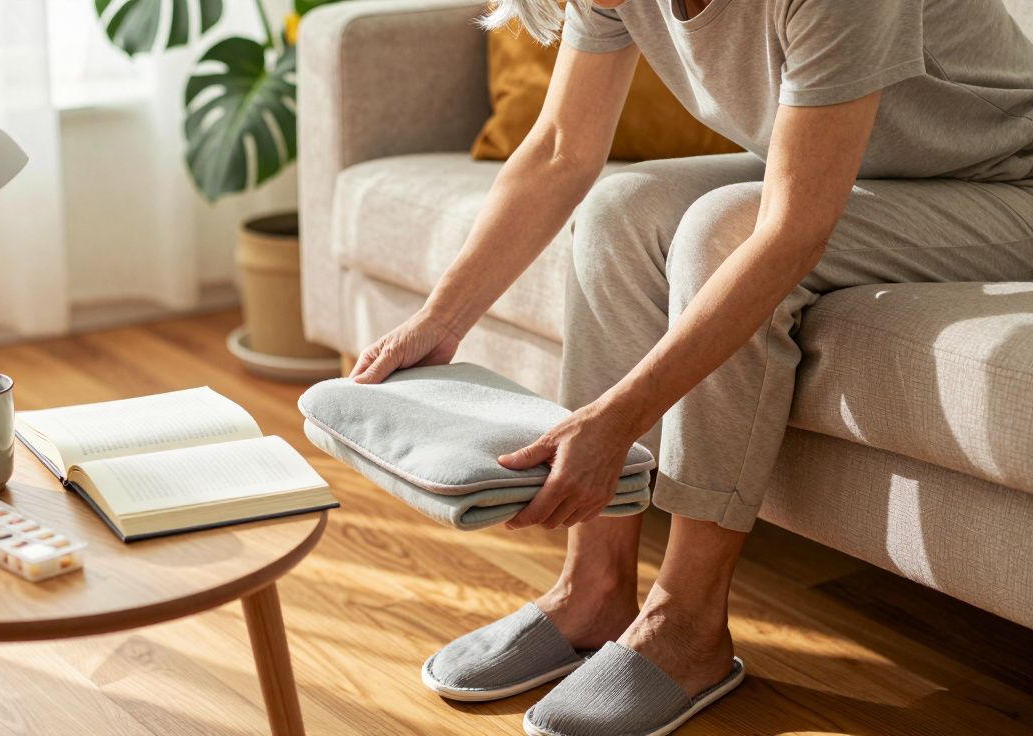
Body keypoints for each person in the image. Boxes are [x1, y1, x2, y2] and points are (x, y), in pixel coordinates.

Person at [347, 0, 1033, 733]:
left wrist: (617, 418)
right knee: (620, 208)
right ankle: (592, 589)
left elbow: (791, 230)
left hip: (1005, 187)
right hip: (874, 167)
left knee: (723, 232)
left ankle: (688, 621)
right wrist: (438, 320)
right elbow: (559, 150)